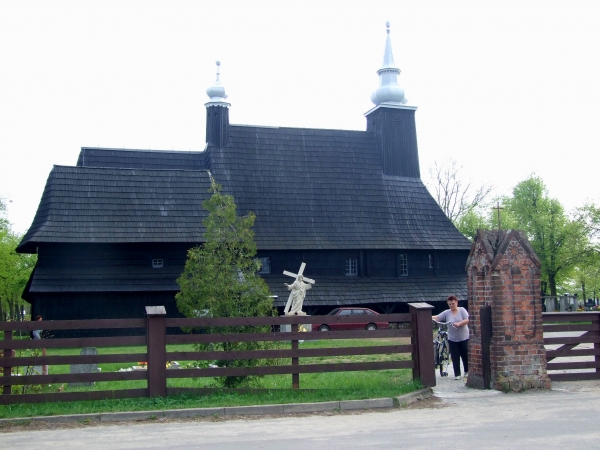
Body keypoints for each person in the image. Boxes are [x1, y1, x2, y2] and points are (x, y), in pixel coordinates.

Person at [432, 295, 469, 380]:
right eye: (450, 304)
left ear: (456, 302)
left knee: (465, 354)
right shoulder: (447, 312)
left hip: (464, 337)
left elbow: (467, 319)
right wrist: (427, 316)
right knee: (455, 356)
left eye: (453, 304)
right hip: (452, 338)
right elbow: (438, 317)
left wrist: (459, 324)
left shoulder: (462, 310)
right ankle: (457, 374)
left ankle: (467, 371)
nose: (452, 306)